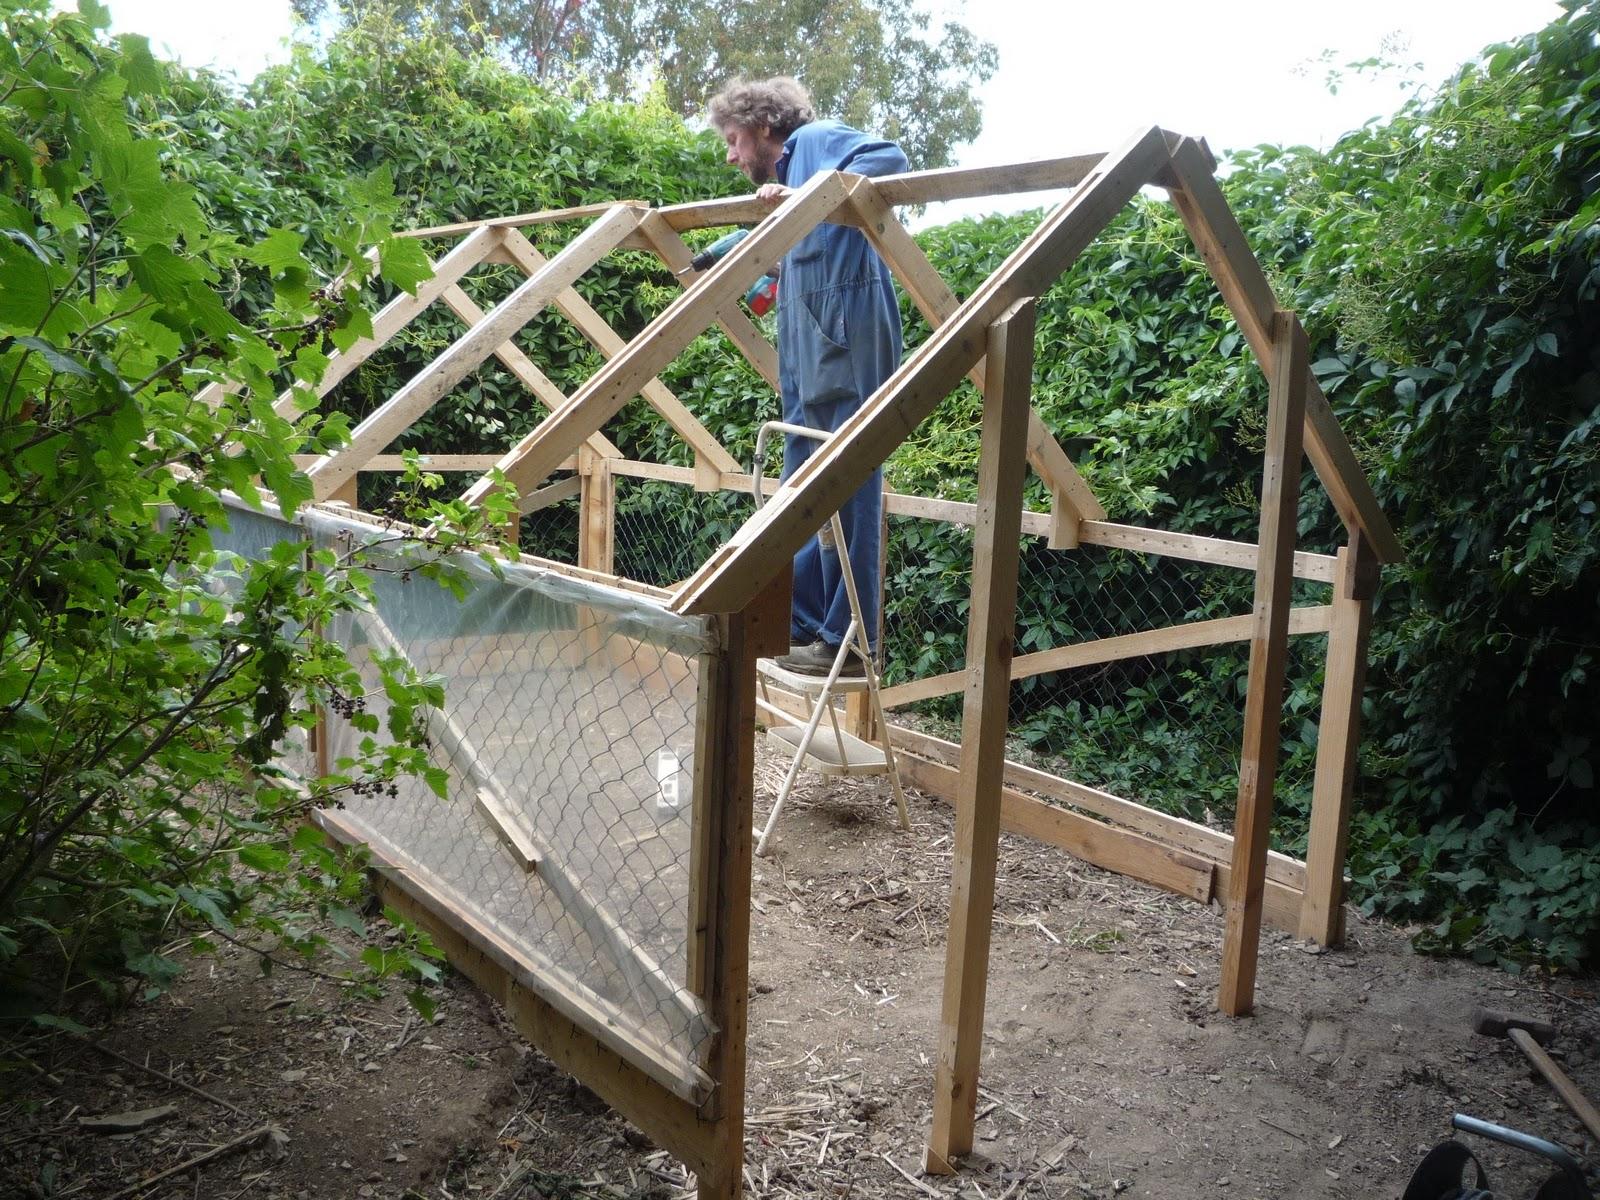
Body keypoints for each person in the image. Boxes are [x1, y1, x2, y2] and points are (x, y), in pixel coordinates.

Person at [706, 77, 908, 677]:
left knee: (848, 481)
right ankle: (801, 620)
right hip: (805, 355)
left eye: (735, 140)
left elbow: (888, 159)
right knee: (800, 491)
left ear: (765, 127)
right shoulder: (782, 187)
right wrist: (733, 248)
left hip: (846, 344)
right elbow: (791, 251)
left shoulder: (816, 142)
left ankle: (849, 641)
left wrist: (806, 192)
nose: (732, 154)